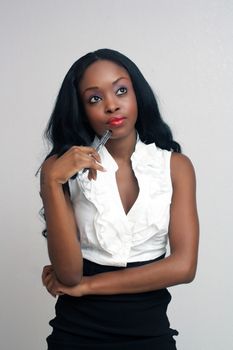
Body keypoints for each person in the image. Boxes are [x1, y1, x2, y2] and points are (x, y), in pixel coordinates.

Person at [40, 48, 199, 350]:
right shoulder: (60, 170)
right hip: (76, 335)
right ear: (81, 109)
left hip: (150, 335)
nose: (112, 105)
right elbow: (70, 274)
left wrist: (88, 286)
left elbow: (183, 267)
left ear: (138, 94)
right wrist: (50, 181)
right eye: (95, 98)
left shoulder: (176, 166)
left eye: (121, 90)